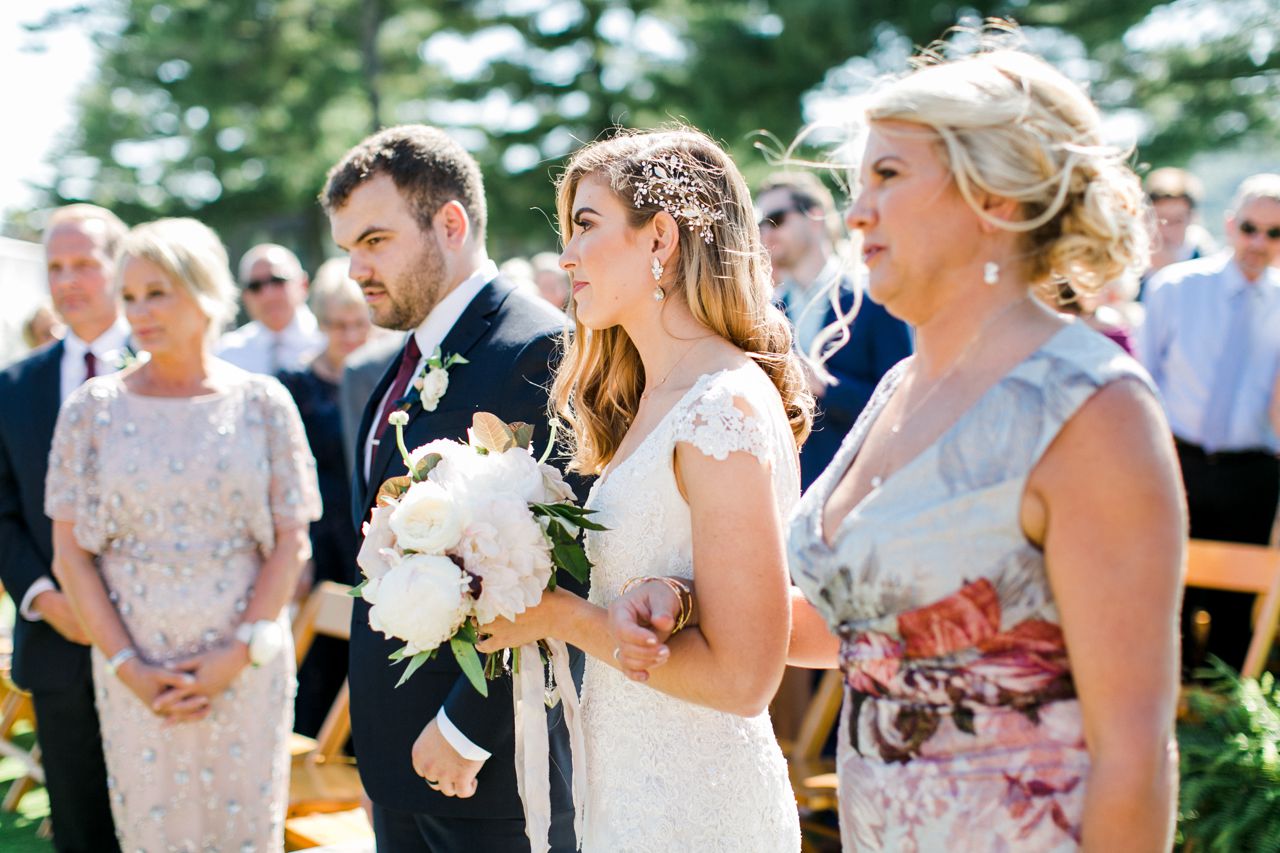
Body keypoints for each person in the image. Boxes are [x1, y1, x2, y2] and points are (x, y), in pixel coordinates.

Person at [613, 45, 1183, 851]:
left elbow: (1135, 751)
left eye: (888, 176)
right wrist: (693, 600)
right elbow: (863, 630)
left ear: (997, 193)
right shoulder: (899, 388)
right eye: (857, 186)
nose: (856, 215)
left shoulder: (1090, 409)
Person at [475, 128, 810, 852]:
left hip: (700, 806)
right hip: (632, 792)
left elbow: (746, 676)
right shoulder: (656, 399)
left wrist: (557, 614)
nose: (565, 257)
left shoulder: (721, 406)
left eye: (585, 226)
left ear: (659, 236)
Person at [321, 124, 579, 852]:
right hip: (398, 754)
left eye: (374, 241)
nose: (355, 270)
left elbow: (556, 564)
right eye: (348, 249)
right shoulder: (401, 362)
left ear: (451, 223)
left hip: (484, 770)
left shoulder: (536, 346)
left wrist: (468, 727)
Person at [45, 217, 321, 851]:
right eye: (131, 295)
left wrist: (241, 648)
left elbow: (291, 540)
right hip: (137, 677)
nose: (139, 311)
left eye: (158, 291)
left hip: (246, 671)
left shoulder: (264, 402)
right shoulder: (92, 408)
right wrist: (126, 664)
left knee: (244, 832)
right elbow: (70, 554)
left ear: (203, 292)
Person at [0, 203, 127, 853]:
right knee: (80, 828)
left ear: (119, 265)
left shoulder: (172, 366)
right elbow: (3, 512)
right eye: (55, 266)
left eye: (84, 263)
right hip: (58, 645)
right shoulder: (13, 385)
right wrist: (49, 599)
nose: (68, 280)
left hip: (162, 640)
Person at [1139, 173, 1280, 669]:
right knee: (1166, 590)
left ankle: (1223, 720)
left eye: (1274, 233)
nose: (1259, 243)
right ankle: (1165, 705)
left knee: (1234, 607)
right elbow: (1143, 381)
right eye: (1249, 228)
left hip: (1253, 472)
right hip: (1178, 460)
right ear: (1229, 225)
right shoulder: (1174, 288)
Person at [756, 171, 912, 489]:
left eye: (776, 219)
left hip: (861, 493)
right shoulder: (767, 312)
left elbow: (904, 405)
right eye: (760, 224)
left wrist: (825, 387)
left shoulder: (873, 299)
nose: (765, 233)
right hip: (789, 497)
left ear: (815, 217)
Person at [277, 258, 373, 736]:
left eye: (359, 323)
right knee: (321, 655)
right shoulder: (293, 385)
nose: (350, 334)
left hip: (370, 532)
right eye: (338, 324)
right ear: (321, 323)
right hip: (320, 535)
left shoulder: (383, 376)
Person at [217, 243, 326, 374]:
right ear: (245, 296)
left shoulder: (330, 339)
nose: (268, 295)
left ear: (303, 285)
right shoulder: (227, 356)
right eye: (255, 286)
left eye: (277, 281)